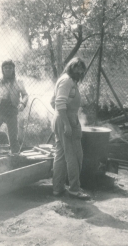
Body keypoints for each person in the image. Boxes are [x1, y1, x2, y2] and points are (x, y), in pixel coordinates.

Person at [51, 57, 90, 200]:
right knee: (75, 155)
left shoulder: (69, 81)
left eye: (82, 69)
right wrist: (66, 123)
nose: (79, 71)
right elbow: (59, 102)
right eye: (77, 68)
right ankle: (74, 189)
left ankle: (58, 188)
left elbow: (52, 101)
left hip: (62, 119)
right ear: (70, 67)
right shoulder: (67, 81)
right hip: (67, 121)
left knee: (60, 156)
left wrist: (58, 116)